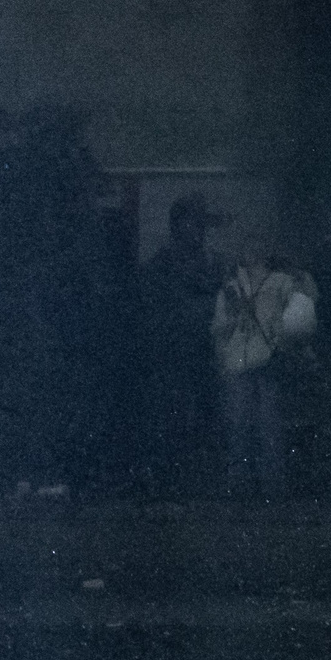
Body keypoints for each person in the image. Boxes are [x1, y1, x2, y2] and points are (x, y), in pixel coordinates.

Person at [135, 192, 228, 494]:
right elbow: (151, 315)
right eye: (193, 224)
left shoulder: (213, 266)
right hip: (170, 358)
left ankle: (195, 486)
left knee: (203, 423)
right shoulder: (158, 268)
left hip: (202, 355)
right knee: (170, 423)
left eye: (201, 225)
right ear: (179, 226)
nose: (199, 232)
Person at [211, 249, 317, 499]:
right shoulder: (232, 285)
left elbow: (301, 310)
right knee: (242, 427)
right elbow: (219, 326)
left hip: (266, 363)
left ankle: (270, 489)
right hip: (239, 363)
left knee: (268, 428)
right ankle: (242, 488)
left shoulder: (282, 283)